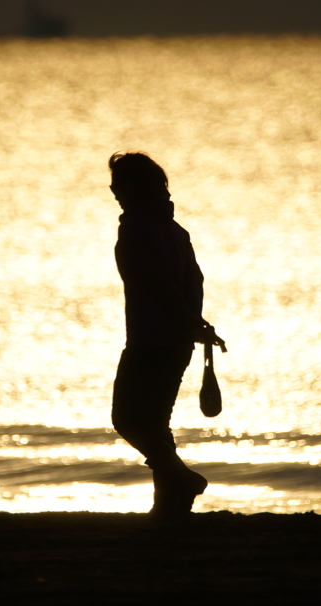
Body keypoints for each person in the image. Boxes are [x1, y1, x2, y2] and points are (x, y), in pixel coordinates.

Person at [108, 151, 226, 517]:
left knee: (127, 419)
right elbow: (194, 280)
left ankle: (181, 480)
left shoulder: (135, 228)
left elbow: (154, 283)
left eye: (117, 183)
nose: (112, 190)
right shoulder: (174, 231)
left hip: (149, 339)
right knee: (156, 423)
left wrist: (188, 320)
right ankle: (169, 503)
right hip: (177, 341)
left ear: (130, 186)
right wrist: (192, 322)